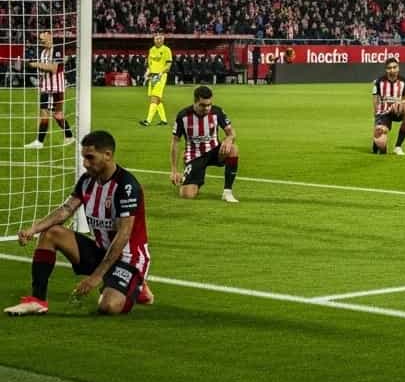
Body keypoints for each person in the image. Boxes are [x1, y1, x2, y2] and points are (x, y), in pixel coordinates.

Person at [4, 129, 153, 315]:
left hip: (129, 258)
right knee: (51, 233)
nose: (85, 164)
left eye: (90, 157)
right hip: (102, 251)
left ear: (107, 155)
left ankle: (135, 285)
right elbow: (66, 210)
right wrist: (34, 229)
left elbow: (123, 235)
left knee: (108, 307)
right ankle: (37, 300)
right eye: (84, 157)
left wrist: (96, 277)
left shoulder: (126, 186)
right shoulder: (87, 180)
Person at [170, 84, 240, 202]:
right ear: (195, 102)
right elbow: (175, 142)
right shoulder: (183, 115)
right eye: (203, 105)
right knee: (187, 195)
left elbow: (231, 131)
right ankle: (193, 176)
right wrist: (174, 170)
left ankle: (227, 192)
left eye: (209, 105)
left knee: (233, 149)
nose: (207, 108)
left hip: (214, 151)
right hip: (195, 155)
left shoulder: (217, 112)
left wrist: (229, 138)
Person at [24, 29, 75, 149]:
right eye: (40, 40)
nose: (41, 41)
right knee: (57, 115)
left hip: (55, 88)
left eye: (43, 39)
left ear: (50, 37)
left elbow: (53, 68)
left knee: (45, 113)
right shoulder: (43, 53)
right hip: (46, 86)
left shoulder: (57, 50)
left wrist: (35, 64)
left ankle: (39, 142)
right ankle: (69, 137)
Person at [372, 57, 405, 155]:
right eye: (389, 68)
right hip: (384, 112)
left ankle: (398, 146)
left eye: (395, 67)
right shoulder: (379, 81)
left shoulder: (404, 81)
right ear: (386, 69)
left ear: (398, 68)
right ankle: (377, 141)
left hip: (397, 111)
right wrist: (376, 118)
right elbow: (375, 101)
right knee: (381, 147)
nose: (392, 70)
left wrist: (400, 102)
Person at [139, 32, 172, 126]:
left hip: (161, 76)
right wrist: (147, 73)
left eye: (160, 39)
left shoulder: (166, 50)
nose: (158, 40)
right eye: (156, 39)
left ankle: (148, 121)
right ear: (154, 40)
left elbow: (168, 65)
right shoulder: (151, 50)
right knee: (157, 99)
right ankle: (164, 120)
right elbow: (150, 64)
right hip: (152, 76)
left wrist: (161, 73)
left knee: (154, 98)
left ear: (163, 39)